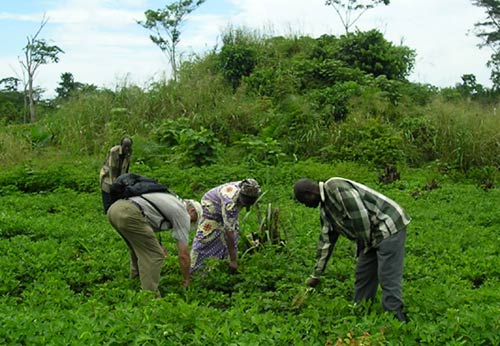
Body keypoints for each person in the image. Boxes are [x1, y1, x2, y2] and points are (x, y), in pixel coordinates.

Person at [293, 177, 411, 322]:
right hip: (370, 236)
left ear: (309, 193)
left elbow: (361, 218)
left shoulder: (335, 187)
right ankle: (360, 310)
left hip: (388, 224)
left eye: (304, 202)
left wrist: (364, 246)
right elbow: (325, 242)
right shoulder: (326, 211)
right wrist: (316, 275)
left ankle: (395, 316)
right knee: (363, 273)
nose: (306, 206)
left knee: (387, 274)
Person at [107, 192, 202, 297]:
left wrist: (157, 244)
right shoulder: (183, 214)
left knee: (137, 248)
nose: (190, 223)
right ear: (192, 211)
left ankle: (135, 281)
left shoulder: (172, 200)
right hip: (130, 213)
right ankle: (150, 297)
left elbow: (147, 222)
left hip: (114, 210)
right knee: (154, 255)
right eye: (193, 219)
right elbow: (183, 254)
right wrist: (187, 279)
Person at [190, 179, 261, 274]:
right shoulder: (230, 203)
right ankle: (193, 270)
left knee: (231, 237)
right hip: (211, 208)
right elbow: (229, 233)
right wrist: (233, 260)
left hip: (225, 207)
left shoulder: (247, 187)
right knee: (206, 238)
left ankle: (222, 266)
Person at [99, 137, 133, 213]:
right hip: (108, 176)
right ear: (121, 145)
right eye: (125, 146)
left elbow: (126, 167)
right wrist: (113, 184)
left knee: (116, 202)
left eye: (129, 146)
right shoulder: (114, 151)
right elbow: (111, 169)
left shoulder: (129, 152)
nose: (127, 148)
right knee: (108, 201)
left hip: (119, 176)